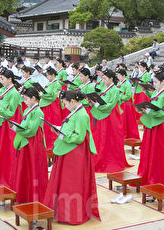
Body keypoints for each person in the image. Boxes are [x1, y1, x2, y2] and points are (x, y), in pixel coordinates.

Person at [43, 90, 100, 225]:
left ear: (73, 102)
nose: (64, 106)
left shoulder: (81, 115)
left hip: (76, 152)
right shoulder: (76, 111)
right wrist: (59, 130)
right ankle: (62, 211)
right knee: (66, 181)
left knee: (72, 182)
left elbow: (79, 137)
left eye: (65, 103)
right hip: (69, 149)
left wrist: (62, 134)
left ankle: (71, 214)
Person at [136, 69, 164, 187]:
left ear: (163, 81)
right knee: (149, 150)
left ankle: (159, 177)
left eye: (156, 82)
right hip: (151, 124)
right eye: (153, 82)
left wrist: (150, 112)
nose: (154, 84)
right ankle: (148, 174)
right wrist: (143, 110)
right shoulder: (155, 93)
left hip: (162, 127)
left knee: (159, 152)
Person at [9, 87, 48, 203]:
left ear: (34, 98)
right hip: (25, 140)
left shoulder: (38, 111)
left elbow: (31, 131)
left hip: (33, 143)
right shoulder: (27, 110)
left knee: (33, 168)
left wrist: (15, 128)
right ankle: (22, 193)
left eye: (26, 99)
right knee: (23, 168)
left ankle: (33, 196)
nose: (24, 101)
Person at [89, 69, 130, 173]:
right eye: (102, 78)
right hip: (103, 115)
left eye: (105, 78)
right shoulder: (105, 88)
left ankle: (109, 160)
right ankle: (100, 158)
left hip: (111, 117)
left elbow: (110, 106)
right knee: (101, 137)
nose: (103, 80)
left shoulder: (115, 90)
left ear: (111, 79)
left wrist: (97, 104)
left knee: (109, 138)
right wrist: (93, 102)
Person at [0, 69, 23, 186]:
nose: (1, 81)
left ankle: (3, 177)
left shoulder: (14, 93)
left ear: (9, 79)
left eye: (2, 78)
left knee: (4, 152)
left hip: (5, 126)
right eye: (0, 78)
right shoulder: (2, 90)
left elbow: (11, 112)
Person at [116, 68, 139, 140]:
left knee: (125, 121)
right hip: (120, 104)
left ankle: (126, 135)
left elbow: (128, 96)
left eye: (119, 76)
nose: (118, 77)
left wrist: (119, 96)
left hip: (125, 105)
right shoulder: (119, 83)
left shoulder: (127, 84)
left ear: (123, 76)